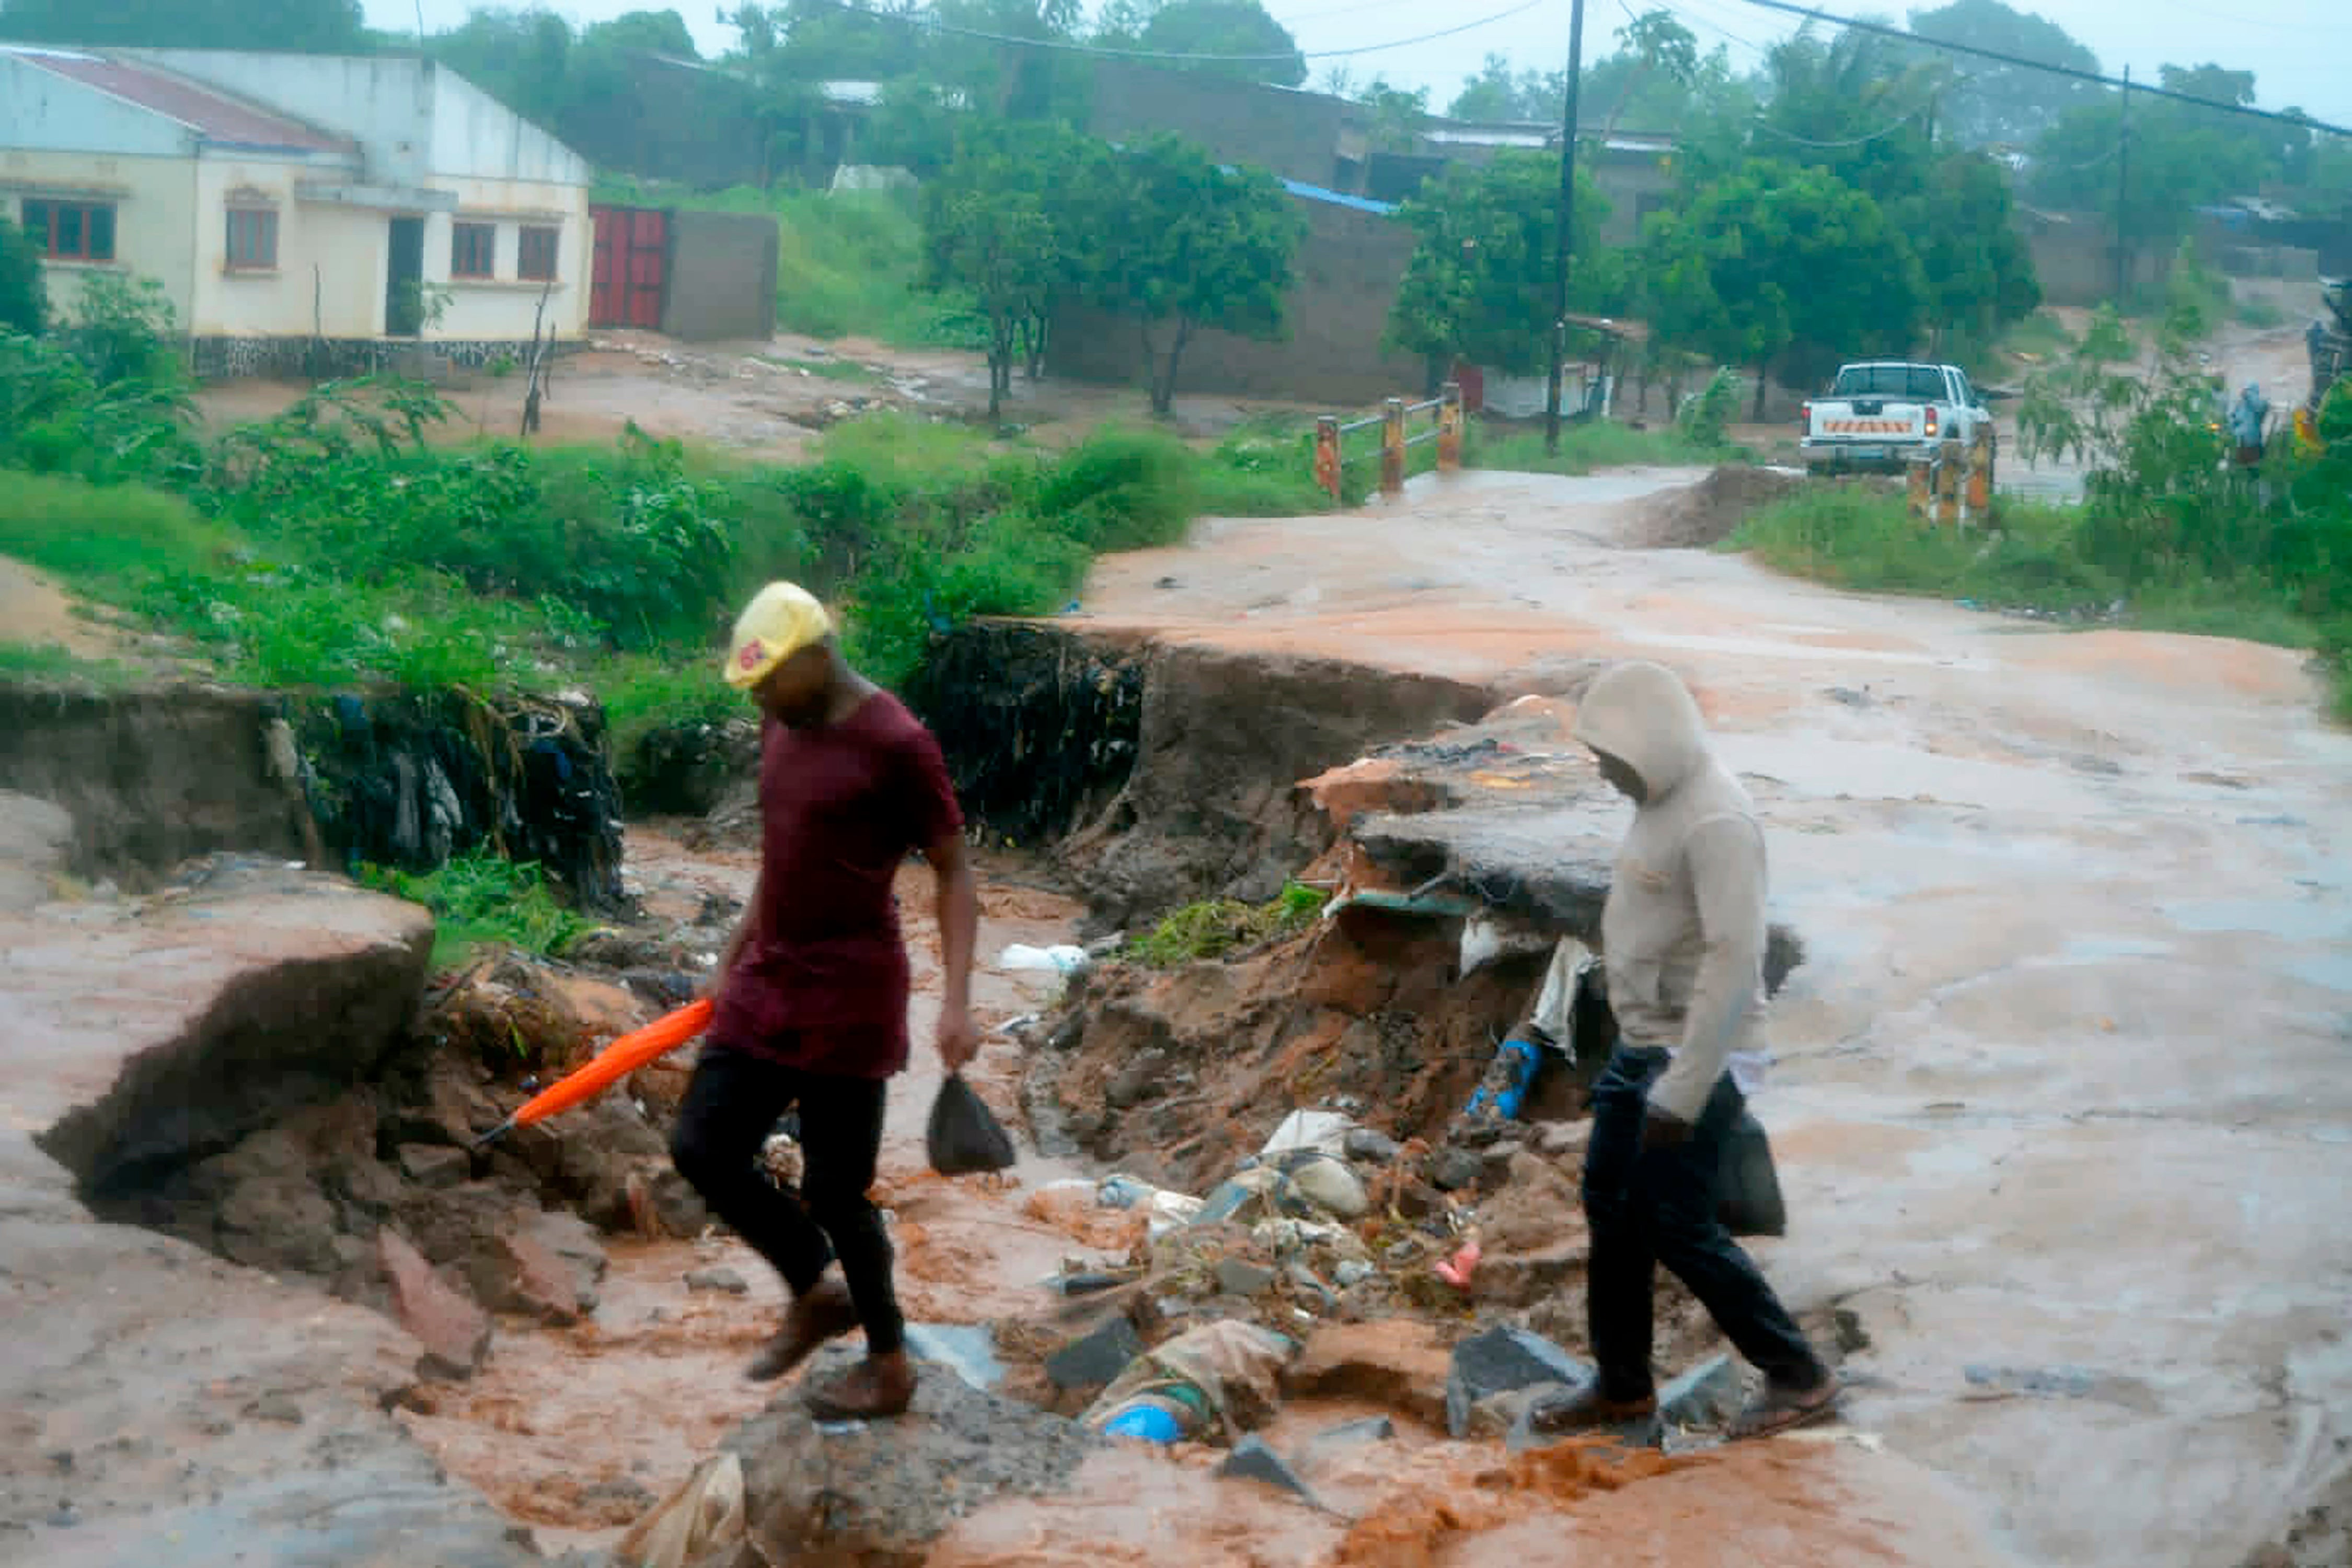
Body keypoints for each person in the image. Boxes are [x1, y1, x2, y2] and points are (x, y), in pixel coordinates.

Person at [669, 581, 979, 1420]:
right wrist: (730, 957)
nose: (761, 701)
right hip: (768, 978)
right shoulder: (784, 720)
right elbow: (782, 850)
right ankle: (815, 1287)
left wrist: (956, 1002)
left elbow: (954, 870)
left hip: (852, 991)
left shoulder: (898, 743)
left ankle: (888, 1363)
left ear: (815, 656)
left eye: (769, 682)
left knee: (839, 1191)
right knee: (701, 1145)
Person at [1529, 660, 1838, 1442]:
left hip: (1697, 1055)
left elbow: (1737, 961)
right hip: (1647, 1045)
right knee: (1611, 1207)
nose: (1602, 772)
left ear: (1652, 742)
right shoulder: (1663, 798)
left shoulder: (1718, 820)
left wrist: (1687, 1089)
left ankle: (1798, 1374)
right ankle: (1623, 1386)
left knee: (1675, 1221)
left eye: (1610, 758)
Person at [2229, 382, 2270, 470]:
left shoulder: (2261, 404)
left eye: (2248, 391)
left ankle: (2252, 474)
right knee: (2243, 468)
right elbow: (2233, 418)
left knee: (2253, 466)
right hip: (2242, 443)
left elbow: (2260, 407)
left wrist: (2249, 395)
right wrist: (2235, 431)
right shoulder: (2240, 405)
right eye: (2245, 391)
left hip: (2253, 444)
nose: (2244, 393)